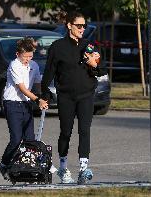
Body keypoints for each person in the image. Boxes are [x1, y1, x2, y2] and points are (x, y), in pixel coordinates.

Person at [41, 11, 106, 184]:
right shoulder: (57, 47)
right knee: (66, 132)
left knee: (84, 131)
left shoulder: (89, 46)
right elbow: (49, 73)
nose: (82, 29)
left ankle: (84, 170)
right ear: (69, 25)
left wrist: (94, 65)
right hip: (66, 96)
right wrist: (44, 94)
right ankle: (63, 167)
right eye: (79, 25)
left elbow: (102, 70)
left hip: (86, 95)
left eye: (84, 26)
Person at [0, 37, 48, 180]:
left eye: (30, 56)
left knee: (30, 139)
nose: (27, 59)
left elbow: (37, 83)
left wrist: (42, 96)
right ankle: (4, 164)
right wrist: (37, 99)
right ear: (17, 54)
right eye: (25, 56)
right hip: (12, 103)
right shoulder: (14, 65)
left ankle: (28, 167)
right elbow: (22, 88)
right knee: (16, 139)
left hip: (26, 104)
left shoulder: (34, 65)